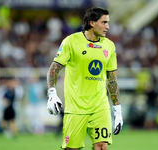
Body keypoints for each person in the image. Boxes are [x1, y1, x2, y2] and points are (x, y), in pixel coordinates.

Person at [46, 7, 123, 150]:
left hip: (100, 105)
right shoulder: (71, 41)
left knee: (101, 146)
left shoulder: (109, 46)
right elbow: (54, 69)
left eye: (108, 22)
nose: (108, 27)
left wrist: (117, 110)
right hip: (76, 107)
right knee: (72, 148)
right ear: (92, 23)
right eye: (104, 22)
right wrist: (51, 93)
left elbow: (111, 79)